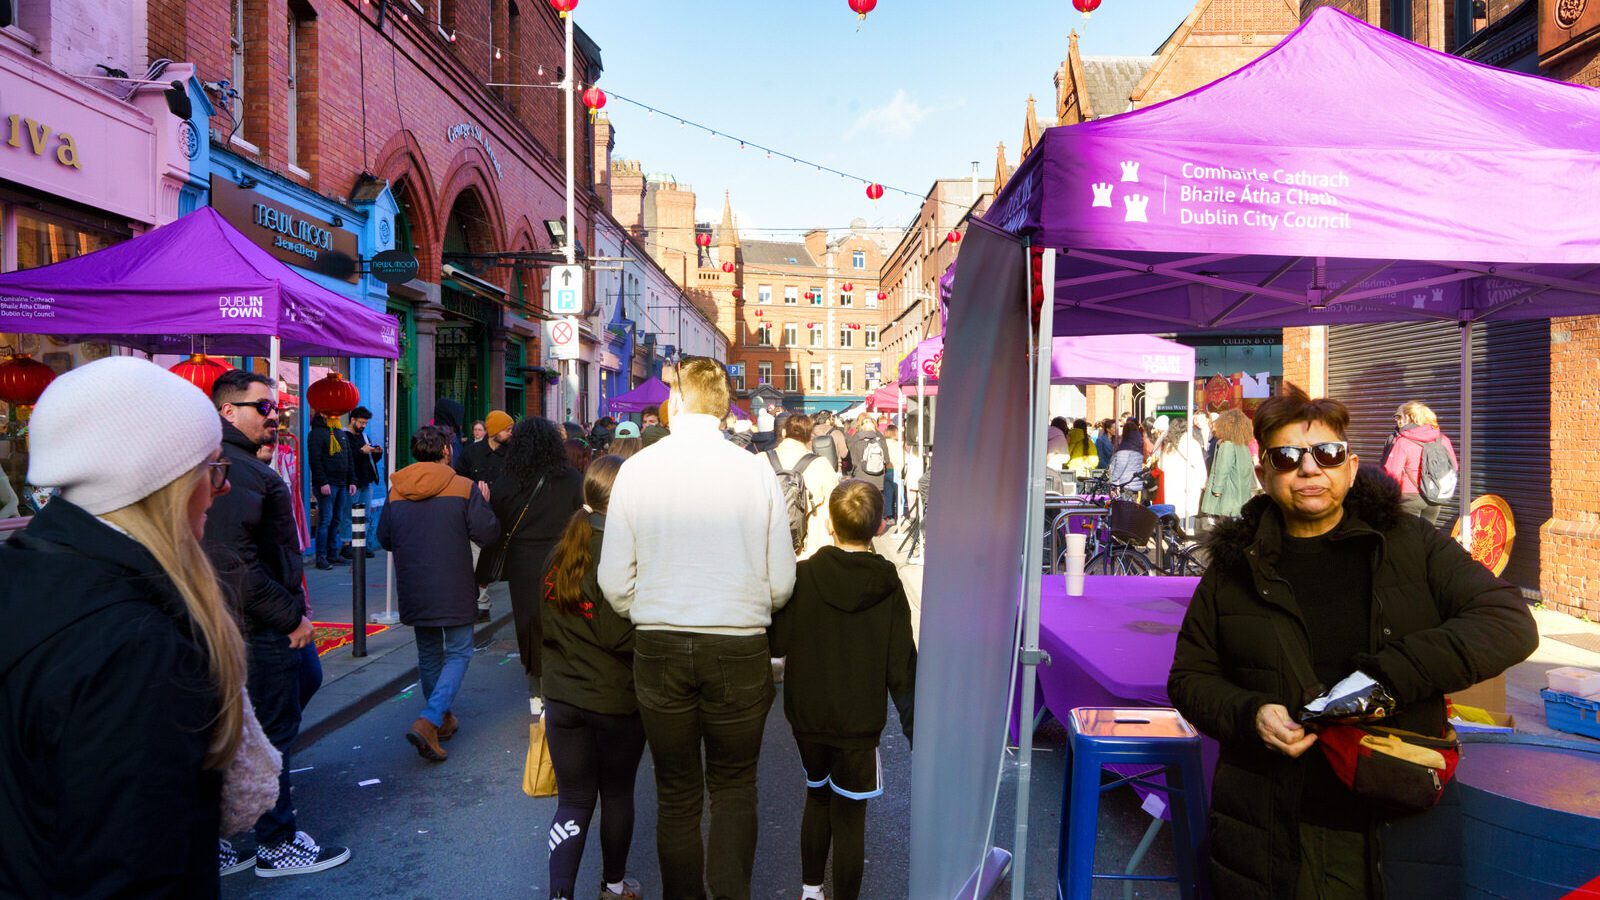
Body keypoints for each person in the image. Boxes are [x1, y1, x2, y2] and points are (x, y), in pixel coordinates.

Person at [1168, 388, 1538, 898]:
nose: (1310, 469)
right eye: (1287, 457)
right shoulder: (1235, 567)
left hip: (1393, 820)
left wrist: (1387, 678)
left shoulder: (1408, 542)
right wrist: (1250, 713)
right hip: (1269, 824)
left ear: (1351, 463)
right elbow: (1189, 678)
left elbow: (1508, 622)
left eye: (1327, 453)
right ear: (1263, 473)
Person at [0, 356, 253, 895]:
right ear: (162, 481)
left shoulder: (28, 571)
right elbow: (134, 871)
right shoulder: (136, 646)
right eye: (212, 468)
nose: (221, 487)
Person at [599, 356, 796, 900]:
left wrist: (657, 603)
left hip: (660, 643)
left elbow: (614, 582)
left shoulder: (638, 469)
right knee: (734, 788)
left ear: (678, 402)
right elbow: (781, 582)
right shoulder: (755, 471)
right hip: (737, 644)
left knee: (677, 794)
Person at [206, 370, 348, 877]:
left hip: (262, 619)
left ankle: (233, 823)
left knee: (293, 692)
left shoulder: (244, 465)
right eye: (263, 408)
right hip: (256, 626)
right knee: (269, 728)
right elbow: (231, 563)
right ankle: (274, 840)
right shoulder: (232, 469)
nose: (275, 416)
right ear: (229, 412)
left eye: (277, 408)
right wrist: (289, 617)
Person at [770, 479, 916, 900]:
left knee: (816, 798)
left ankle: (811, 891)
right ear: (879, 527)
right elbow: (900, 665)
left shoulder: (804, 575)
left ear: (830, 524)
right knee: (850, 817)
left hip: (808, 716)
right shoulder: (887, 584)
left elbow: (777, 643)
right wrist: (916, 730)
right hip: (858, 721)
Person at [540, 456, 646, 900]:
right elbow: (615, 631)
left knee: (574, 800)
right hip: (615, 697)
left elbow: (536, 619)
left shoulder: (562, 546)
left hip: (563, 696)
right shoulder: (617, 551)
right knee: (617, 795)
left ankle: (560, 892)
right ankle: (615, 885)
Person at [379, 425, 500, 762]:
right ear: (447, 451)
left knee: (430, 654)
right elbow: (487, 534)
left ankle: (440, 719)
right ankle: (431, 718)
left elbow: (384, 538)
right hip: (453, 582)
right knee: (460, 651)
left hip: (415, 583)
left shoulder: (396, 489)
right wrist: (485, 504)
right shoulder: (463, 487)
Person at [490, 417, 583, 713]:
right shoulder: (570, 478)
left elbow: (498, 522)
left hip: (523, 561)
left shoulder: (506, 481)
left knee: (529, 623)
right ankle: (565, 684)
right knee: (563, 618)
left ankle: (537, 690)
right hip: (562, 557)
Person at [771, 413, 844, 560]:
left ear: (784, 432)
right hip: (810, 550)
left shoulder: (760, 460)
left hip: (769, 547)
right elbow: (835, 506)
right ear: (810, 436)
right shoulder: (821, 464)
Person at [1380, 400, 1458, 525]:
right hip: (1434, 495)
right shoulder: (1443, 439)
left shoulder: (1403, 441)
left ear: (1410, 417)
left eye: (1401, 417)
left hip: (1409, 496)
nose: (1397, 420)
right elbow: (1453, 465)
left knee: (1408, 536)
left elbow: (1392, 472)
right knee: (1427, 535)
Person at [308, 411, 355, 570]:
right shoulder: (316, 433)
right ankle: (321, 557)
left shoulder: (340, 433)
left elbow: (348, 458)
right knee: (325, 520)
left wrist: (352, 480)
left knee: (336, 520)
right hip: (327, 484)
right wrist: (322, 482)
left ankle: (332, 554)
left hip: (341, 484)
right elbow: (315, 460)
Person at [1200, 408, 1256, 520]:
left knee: (1227, 527)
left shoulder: (1227, 445)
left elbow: (1222, 469)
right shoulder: (1243, 445)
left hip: (1229, 495)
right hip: (1242, 493)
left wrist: (1217, 489)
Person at [345, 406, 383, 557]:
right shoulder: (344, 436)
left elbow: (369, 460)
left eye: (365, 423)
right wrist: (362, 451)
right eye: (361, 422)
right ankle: (347, 545)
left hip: (366, 481)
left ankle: (361, 545)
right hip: (352, 482)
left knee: (365, 515)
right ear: (353, 420)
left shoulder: (365, 437)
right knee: (349, 515)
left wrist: (376, 453)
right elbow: (346, 458)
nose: (363, 426)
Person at [1155, 416, 1208, 523]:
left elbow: (1161, 466)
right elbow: (1200, 466)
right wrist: (1203, 483)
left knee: (1175, 516)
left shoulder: (1168, 446)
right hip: (1190, 486)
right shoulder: (1193, 443)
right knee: (1189, 517)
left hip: (1172, 486)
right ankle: (1188, 536)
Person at [458, 409, 512, 485]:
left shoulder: (513, 454)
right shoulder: (470, 452)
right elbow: (460, 480)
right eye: (507, 430)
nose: (511, 433)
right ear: (495, 431)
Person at [845, 414, 889, 495]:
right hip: (879, 479)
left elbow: (854, 461)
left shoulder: (856, 439)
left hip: (861, 479)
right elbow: (887, 459)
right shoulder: (880, 438)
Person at [1108, 414, 1145, 492]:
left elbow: (1120, 466)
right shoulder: (1139, 443)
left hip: (1127, 484)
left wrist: (1113, 481)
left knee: (1125, 504)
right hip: (1137, 482)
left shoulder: (1125, 447)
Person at [882, 423, 905, 522]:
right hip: (896, 472)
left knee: (888, 496)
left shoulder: (883, 443)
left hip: (886, 472)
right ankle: (900, 516)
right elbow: (902, 461)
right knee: (899, 496)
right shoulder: (898, 444)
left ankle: (889, 517)